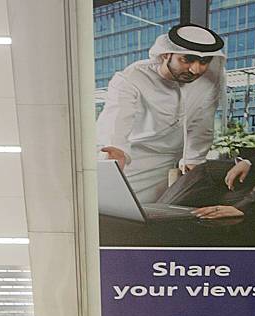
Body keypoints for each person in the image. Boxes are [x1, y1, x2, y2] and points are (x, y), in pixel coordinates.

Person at [158, 44, 255, 243]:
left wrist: (243, 207)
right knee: (207, 173)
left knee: (209, 191)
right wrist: (249, 162)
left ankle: (157, 220)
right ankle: (159, 217)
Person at [96, 24, 226, 204]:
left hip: (176, 163)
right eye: (187, 60)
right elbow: (116, 122)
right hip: (135, 159)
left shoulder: (210, 79)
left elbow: (203, 123)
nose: (196, 69)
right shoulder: (131, 78)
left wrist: (194, 160)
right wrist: (115, 158)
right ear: (166, 54)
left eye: (204, 62)